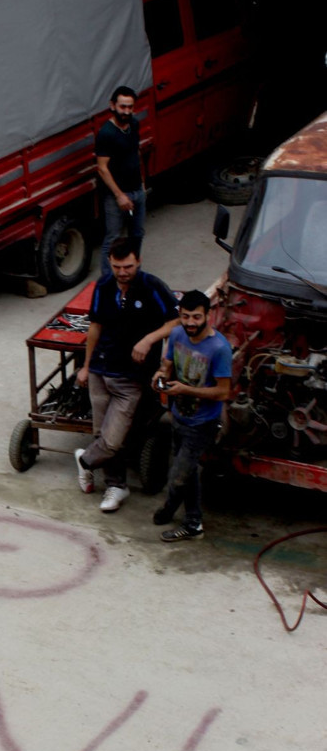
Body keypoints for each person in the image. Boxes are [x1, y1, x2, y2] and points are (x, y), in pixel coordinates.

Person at [75, 238, 178, 511]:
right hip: (100, 369)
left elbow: (176, 320)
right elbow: (95, 327)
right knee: (101, 433)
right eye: (118, 266)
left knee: (112, 439)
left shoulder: (152, 287)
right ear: (110, 263)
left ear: (139, 262)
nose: (123, 272)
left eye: (128, 266)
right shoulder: (104, 286)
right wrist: (86, 366)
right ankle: (115, 486)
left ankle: (84, 460)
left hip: (130, 377)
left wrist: (149, 339)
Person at [151, 290, 232, 542]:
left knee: (178, 477)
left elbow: (223, 392)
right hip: (179, 416)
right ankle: (188, 517)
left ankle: (188, 522)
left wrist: (185, 389)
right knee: (187, 473)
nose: (190, 323)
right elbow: (167, 364)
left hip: (202, 424)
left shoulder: (219, 349)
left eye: (196, 317)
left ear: (208, 315)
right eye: (185, 317)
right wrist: (160, 375)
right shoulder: (177, 334)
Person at [96, 85, 146, 278]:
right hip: (116, 195)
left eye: (130, 107)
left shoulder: (134, 124)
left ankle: (133, 272)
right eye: (122, 107)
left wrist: (142, 182)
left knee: (138, 234)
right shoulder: (106, 133)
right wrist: (120, 195)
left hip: (137, 190)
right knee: (113, 238)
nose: (126, 111)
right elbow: (102, 168)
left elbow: (136, 152)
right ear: (112, 105)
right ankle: (108, 279)